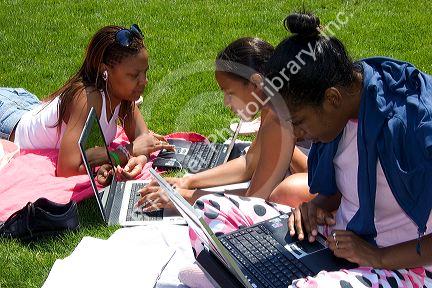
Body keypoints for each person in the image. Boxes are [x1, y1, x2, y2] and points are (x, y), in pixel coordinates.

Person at [181, 12, 432, 288]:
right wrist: (313, 207)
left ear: (332, 99)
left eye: (298, 123)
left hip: (406, 266)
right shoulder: (343, 105)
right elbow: (345, 189)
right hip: (338, 244)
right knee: (209, 209)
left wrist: (378, 256)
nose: (297, 134)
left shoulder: (414, 125)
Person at [136, 37, 313, 213]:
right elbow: (249, 163)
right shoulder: (271, 107)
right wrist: (188, 182)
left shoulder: (276, 118)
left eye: (230, 93)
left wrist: (185, 197)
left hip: (317, 193)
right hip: (309, 177)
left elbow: (254, 200)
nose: (226, 102)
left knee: (282, 192)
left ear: (256, 83)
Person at [0, 24, 173, 178]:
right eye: (134, 75)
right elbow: (67, 169)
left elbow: (143, 138)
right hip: (8, 123)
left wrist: (140, 157)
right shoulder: (88, 99)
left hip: (28, 105)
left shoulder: (123, 94)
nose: (144, 81)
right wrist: (126, 152)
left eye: (145, 72)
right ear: (105, 70)